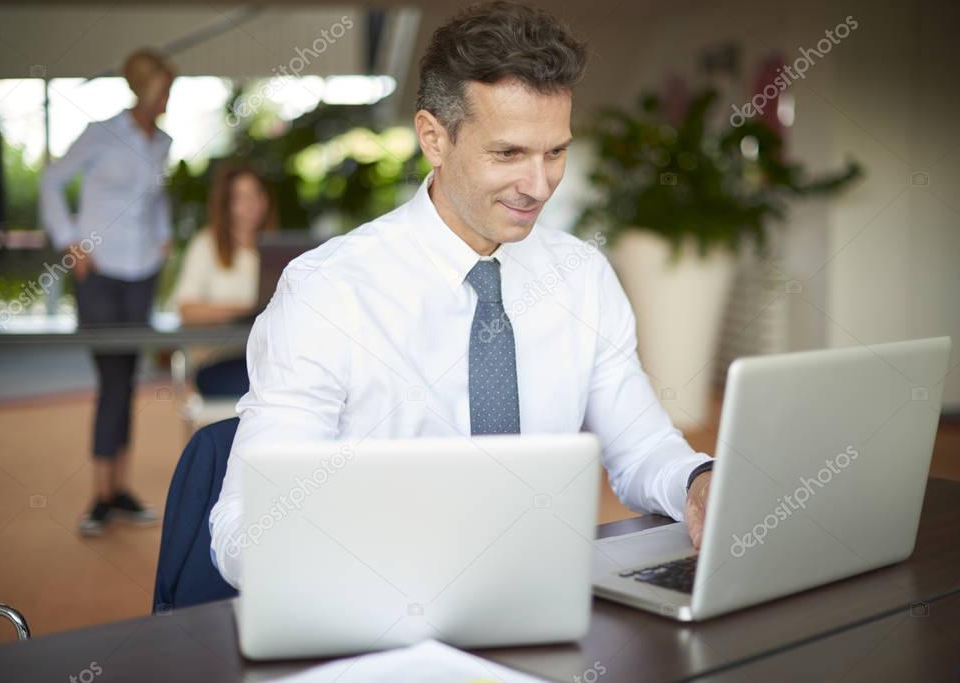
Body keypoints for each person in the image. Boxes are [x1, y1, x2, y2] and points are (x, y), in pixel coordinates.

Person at [209, 1, 714, 588]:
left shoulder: (582, 276)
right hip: (381, 606)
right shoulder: (327, 293)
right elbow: (245, 529)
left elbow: (642, 446)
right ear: (434, 138)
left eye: (555, 152)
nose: (538, 185)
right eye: (508, 154)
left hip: (537, 596)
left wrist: (698, 481)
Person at [40, 48, 176, 536]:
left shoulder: (163, 142)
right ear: (143, 88)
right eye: (163, 88)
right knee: (111, 378)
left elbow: (155, 199)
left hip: (142, 272)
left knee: (127, 378)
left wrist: (164, 238)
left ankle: (116, 491)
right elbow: (51, 181)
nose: (167, 98)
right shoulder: (101, 134)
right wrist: (69, 241)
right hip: (99, 271)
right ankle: (102, 495)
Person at [171, 162, 279, 397]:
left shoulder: (276, 249)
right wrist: (245, 310)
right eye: (240, 197)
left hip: (266, 359)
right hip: (217, 362)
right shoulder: (205, 245)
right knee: (269, 389)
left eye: (256, 194)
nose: (251, 205)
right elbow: (187, 309)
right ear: (226, 204)